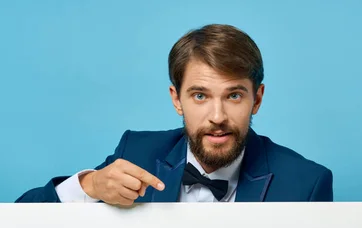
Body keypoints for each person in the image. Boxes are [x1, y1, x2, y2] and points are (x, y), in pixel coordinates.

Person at [16, 24, 333, 204]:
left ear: (257, 98)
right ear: (176, 100)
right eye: (200, 96)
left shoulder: (307, 183)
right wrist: (89, 185)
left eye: (234, 95)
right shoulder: (136, 152)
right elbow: (21, 220)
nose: (217, 116)